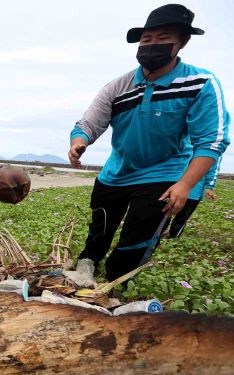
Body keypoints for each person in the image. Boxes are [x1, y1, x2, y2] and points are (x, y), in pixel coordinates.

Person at [65, 4, 230, 286]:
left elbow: (212, 141)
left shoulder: (200, 83)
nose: (152, 45)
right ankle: (87, 264)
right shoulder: (118, 86)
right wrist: (79, 142)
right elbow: (89, 122)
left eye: (162, 38)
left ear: (182, 41)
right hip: (116, 172)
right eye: (146, 39)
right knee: (99, 227)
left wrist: (185, 185)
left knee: (137, 235)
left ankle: (116, 283)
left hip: (165, 172)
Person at [166, 156, 220, 237]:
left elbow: (213, 168)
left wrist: (209, 187)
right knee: (165, 213)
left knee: (181, 217)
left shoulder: (211, 148)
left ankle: (173, 237)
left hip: (193, 192)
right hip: (174, 187)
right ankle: (161, 234)